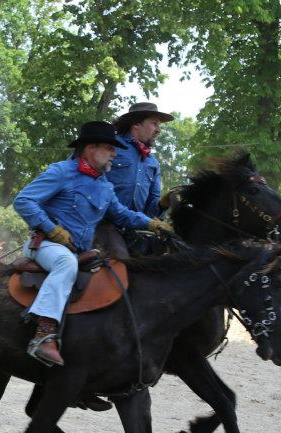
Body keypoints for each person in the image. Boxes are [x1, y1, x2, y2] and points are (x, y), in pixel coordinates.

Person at [13, 120, 172, 366]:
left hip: (81, 251)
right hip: (46, 247)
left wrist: (152, 224)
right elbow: (23, 201)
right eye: (109, 148)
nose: (114, 153)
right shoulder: (60, 172)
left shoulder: (105, 186)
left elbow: (122, 214)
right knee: (66, 262)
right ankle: (42, 336)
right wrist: (52, 229)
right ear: (90, 148)